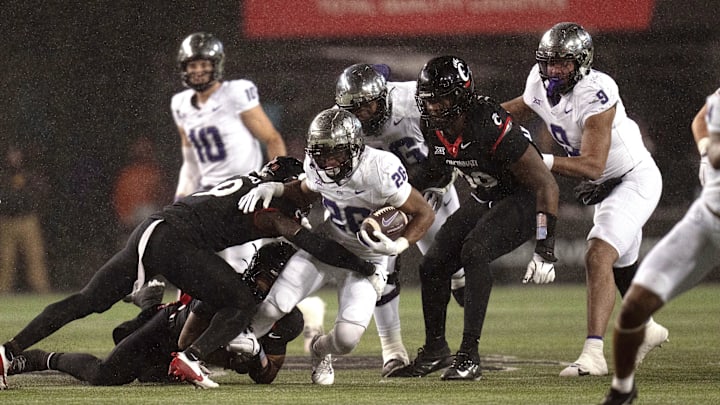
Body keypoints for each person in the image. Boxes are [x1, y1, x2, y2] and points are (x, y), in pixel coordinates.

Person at [0, 157, 378, 390]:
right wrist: (365, 265)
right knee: (240, 301)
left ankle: (11, 352)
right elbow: (315, 246)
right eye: (305, 191)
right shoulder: (272, 205)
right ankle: (192, 357)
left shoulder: (257, 186)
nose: (309, 198)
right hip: (175, 240)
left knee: (88, 302)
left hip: (155, 230)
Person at [501, 22, 667, 377]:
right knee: (620, 264)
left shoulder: (597, 91)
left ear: (582, 62)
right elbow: (521, 108)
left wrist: (537, 160)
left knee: (598, 254)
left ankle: (593, 354)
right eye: (549, 62)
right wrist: (478, 120)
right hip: (605, 186)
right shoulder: (538, 80)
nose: (554, 70)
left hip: (633, 179)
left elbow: (592, 165)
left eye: (564, 63)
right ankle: (647, 328)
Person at [390, 55, 560, 381]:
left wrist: (545, 245)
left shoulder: (488, 123)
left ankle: (468, 356)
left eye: (442, 99)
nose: (436, 107)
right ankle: (436, 349)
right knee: (433, 265)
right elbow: (436, 170)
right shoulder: (434, 125)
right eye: (430, 101)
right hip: (486, 196)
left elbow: (545, 184)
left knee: (475, 251)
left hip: (522, 200)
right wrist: (396, 196)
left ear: (462, 94)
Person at [239, 108, 436, 385]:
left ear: (355, 147)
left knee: (346, 340)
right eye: (321, 153)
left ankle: (320, 350)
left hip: (367, 259)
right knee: (274, 306)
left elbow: (424, 212)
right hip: (327, 246)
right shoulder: (316, 165)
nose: (328, 162)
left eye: (336, 153)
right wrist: (278, 189)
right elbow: (307, 188)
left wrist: (399, 245)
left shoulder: (380, 169)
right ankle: (227, 352)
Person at [171, 32, 326, 345]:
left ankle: (233, 339)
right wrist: (179, 200)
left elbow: (271, 139)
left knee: (240, 278)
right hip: (208, 201)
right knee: (196, 276)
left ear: (216, 65)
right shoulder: (180, 104)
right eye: (193, 64)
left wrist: (278, 186)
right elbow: (190, 161)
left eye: (204, 63)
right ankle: (202, 343)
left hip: (244, 197)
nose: (198, 70)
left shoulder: (235, 93)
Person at [6, 241, 303, 386]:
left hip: (184, 351)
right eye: (263, 280)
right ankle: (36, 358)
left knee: (149, 377)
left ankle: (148, 301)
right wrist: (229, 351)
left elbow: (267, 375)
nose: (265, 291)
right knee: (106, 375)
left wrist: (256, 356)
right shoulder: (228, 294)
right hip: (168, 332)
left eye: (274, 283)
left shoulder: (289, 317)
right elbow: (187, 344)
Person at [334, 63, 466, 377]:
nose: (363, 114)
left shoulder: (415, 99)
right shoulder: (340, 123)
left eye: (368, 105)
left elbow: (448, 144)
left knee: (455, 270)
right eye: (355, 109)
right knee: (381, 270)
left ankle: (468, 347)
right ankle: (392, 350)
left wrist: (439, 175)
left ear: (384, 96)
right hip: (380, 205)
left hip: (430, 191)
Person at [600, 91, 720, 404]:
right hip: (708, 217)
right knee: (635, 306)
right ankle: (623, 390)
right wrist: (707, 148)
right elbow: (701, 120)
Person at [0, 145, 52, 294]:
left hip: (28, 220)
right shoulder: (4, 176)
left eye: (16, 154)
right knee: (6, 259)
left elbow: (41, 193)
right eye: (11, 155)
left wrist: (29, 203)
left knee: (35, 257)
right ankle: (3, 291)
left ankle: (41, 290)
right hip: (7, 221)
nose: (14, 158)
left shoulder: (30, 175)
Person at [112, 136, 170, 247]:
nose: (143, 152)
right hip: (130, 226)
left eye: (146, 149)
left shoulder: (155, 173)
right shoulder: (126, 175)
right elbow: (118, 201)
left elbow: (164, 198)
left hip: (150, 224)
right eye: (140, 150)